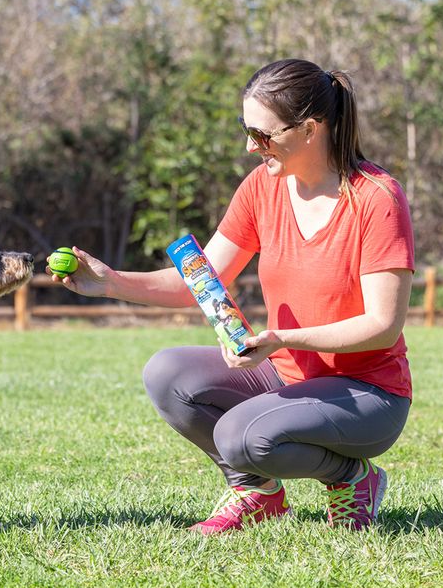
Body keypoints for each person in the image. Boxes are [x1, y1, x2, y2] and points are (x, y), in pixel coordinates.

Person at [49, 58, 414, 534]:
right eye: (247, 130)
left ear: (309, 129)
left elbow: (382, 324)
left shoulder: (376, 199)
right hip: (286, 378)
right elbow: (200, 280)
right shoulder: (262, 188)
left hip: (368, 395)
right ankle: (258, 494)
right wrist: (112, 282)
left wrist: (283, 338)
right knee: (167, 373)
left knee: (241, 435)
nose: (250, 146)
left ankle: (352, 478)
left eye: (262, 136)